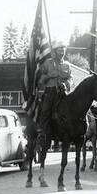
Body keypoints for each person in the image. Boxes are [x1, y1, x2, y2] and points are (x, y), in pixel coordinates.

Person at [36, 41, 74, 181]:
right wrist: (49, 77)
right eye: (59, 50)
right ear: (54, 51)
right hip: (50, 93)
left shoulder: (67, 65)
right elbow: (40, 80)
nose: (61, 52)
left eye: (63, 50)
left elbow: (71, 78)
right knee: (45, 111)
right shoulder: (47, 64)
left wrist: (66, 84)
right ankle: (42, 132)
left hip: (63, 93)